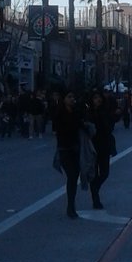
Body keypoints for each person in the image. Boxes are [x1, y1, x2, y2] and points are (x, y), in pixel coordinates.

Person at [52, 91, 85, 219]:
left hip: (75, 149)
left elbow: (81, 125)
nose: (72, 99)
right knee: (71, 175)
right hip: (64, 149)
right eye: (69, 97)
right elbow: (60, 130)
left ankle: (71, 204)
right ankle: (70, 206)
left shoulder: (76, 112)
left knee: (74, 176)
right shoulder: (60, 114)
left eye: (73, 97)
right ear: (64, 99)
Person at [87, 89, 118, 209]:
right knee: (94, 174)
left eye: (99, 97)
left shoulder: (105, 112)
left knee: (105, 173)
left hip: (104, 145)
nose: (98, 100)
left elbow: (110, 125)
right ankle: (95, 199)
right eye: (95, 98)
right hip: (92, 146)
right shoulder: (88, 113)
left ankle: (95, 188)